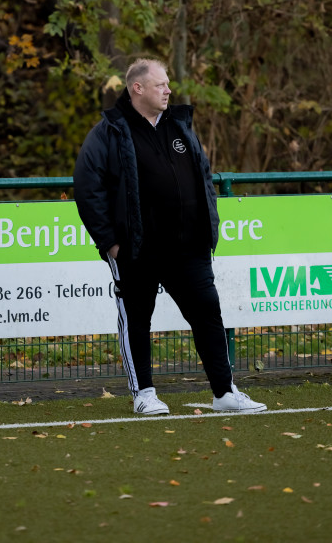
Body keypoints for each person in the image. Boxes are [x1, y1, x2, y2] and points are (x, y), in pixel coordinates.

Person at [73, 57, 267, 415]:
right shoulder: (110, 131)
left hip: (189, 247)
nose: (168, 90)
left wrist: (208, 225)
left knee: (208, 313)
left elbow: (204, 176)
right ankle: (144, 394)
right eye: (161, 84)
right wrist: (111, 243)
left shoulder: (180, 125)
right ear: (138, 88)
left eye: (167, 84)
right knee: (137, 320)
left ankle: (224, 393)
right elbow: (87, 189)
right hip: (137, 250)